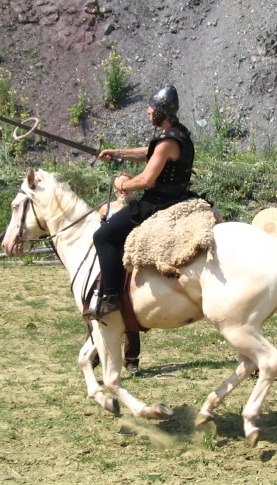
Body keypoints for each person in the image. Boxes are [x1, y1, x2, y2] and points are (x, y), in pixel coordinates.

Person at [83, 84, 197, 320]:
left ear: (160, 112)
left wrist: (121, 185)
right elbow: (149, 153)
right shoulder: (178, 133)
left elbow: (146, 180)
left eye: (151, 107)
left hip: (158, 202)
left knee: (103, 236)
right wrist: (117, 153)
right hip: (177, 196)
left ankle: (112, 296)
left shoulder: (167, 141)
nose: (148, 111)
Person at [98, 191, 142, 375]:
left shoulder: (134, 208)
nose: (124, 191)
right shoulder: (106, 207)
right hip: (110, 256)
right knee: (99, 300)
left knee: (129, 305)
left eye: (127, 186)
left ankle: (131, 360)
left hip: (128, 254)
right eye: (121, 186)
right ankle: (94, 357)